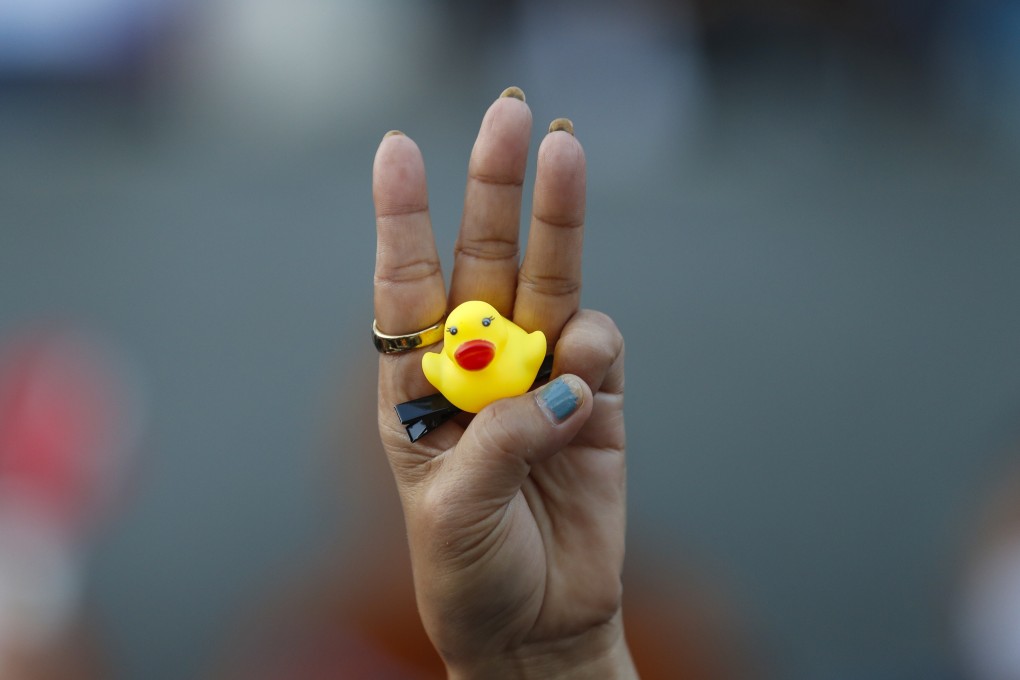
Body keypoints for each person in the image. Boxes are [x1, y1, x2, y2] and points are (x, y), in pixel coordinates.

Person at [370, 85, 634, 678]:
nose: (471, 341)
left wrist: (572, 655)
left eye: (483, 326)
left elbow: (533, 345)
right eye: (458, 335)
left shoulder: (523, 349)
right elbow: (435, 371)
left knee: (585, 347)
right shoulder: (336, 638)